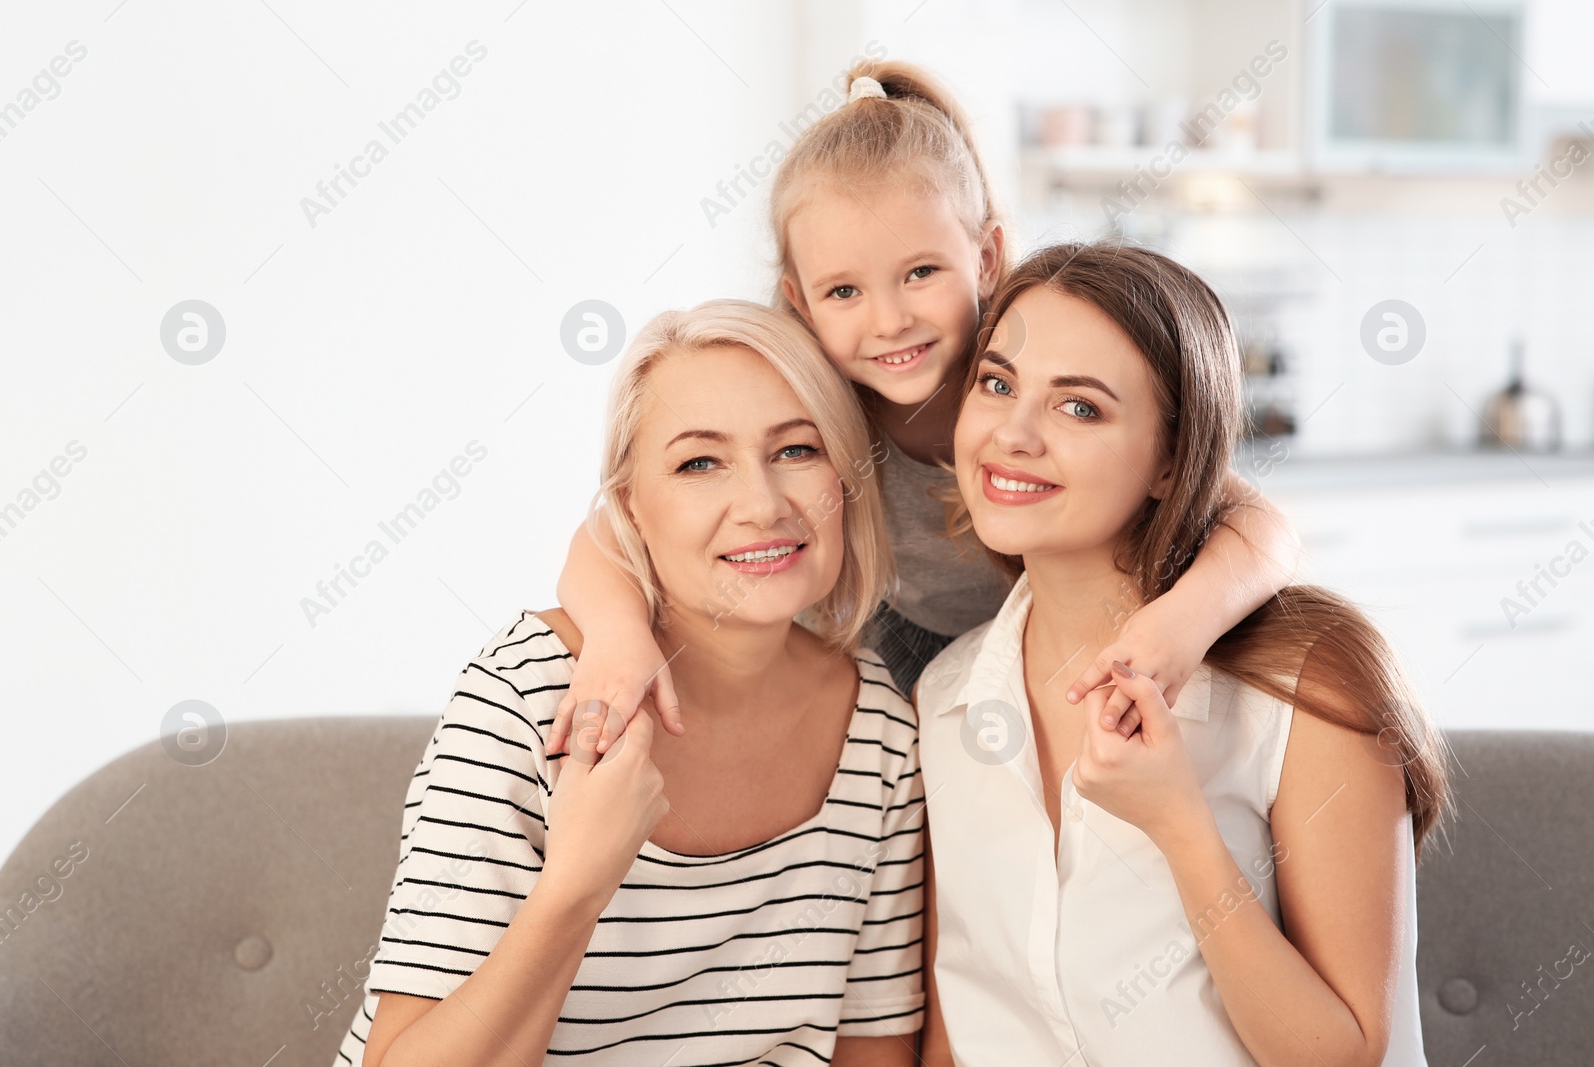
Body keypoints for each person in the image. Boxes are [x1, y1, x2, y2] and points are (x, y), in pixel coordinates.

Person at [548, 60, 1302, 771]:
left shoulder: (1029, 367)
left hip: (1059, 625)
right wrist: (615, 636)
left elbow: (1261, 525)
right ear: (800, 299)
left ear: (984, 257)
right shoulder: (815, 409)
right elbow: (610, 530)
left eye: (920, 273)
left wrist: (1181, 622)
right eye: (844, 292)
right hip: (894, 638)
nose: (889, 321)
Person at [336, 300, 925, 1067]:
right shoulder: (526, 694)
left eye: (797, 450)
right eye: (698, 463)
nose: (761, 505)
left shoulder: (880, 727)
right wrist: (578, 884)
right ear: (631, 509)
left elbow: (870, 1054)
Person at [916, 242, 1452, 1066]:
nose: (1012, 433)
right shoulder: (946, 700)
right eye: (997, 383)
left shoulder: (1308, 685)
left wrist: (1181, 826)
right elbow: (960, 1025)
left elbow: (1346, 1055)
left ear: (1172, 460)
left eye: (1080, 408)